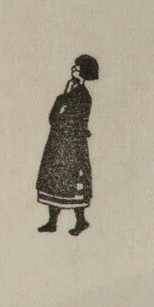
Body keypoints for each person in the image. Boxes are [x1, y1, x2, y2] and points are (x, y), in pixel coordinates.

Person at [36, 54, 99, 236]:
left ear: (84, 72)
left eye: (78, 67)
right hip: (59, 142)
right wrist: (65, 94)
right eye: (74, 66)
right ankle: (52, 222)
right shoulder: (71, 89)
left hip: (72, 144)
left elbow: (64, 118)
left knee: (72, 180)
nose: (74, 68)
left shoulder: (82, 95)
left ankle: (81, 221)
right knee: (54, 179)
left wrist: (64, 97)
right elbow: (54, 117)